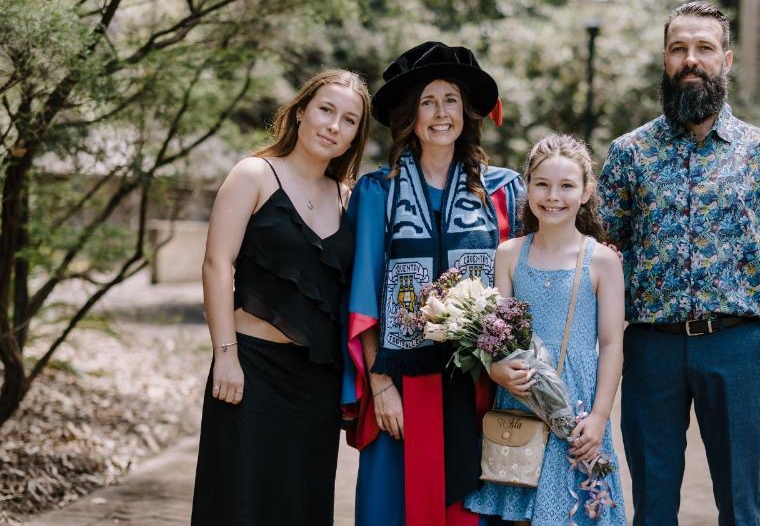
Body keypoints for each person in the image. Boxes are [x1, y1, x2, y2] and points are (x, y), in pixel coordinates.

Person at [598, 1, 760, 526]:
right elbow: (604, 251)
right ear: (666, 60)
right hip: (651, 348)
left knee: (740, 505)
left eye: (704, 48)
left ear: (727, 59)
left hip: (736, 349)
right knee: (653, 503)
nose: (691, 59)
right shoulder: (630, 154)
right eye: (679, 49)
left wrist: (740, 303)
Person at [343, 41, 524, 526]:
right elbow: (363, 291)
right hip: (403, 384)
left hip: (481, 383)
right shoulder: (378, 192)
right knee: (395, 504)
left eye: (450, 100)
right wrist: (380, 386)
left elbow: (526, 282)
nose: (440, 113)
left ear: (466, 111)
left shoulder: (503, 192)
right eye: (427, 101)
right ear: (410, 116)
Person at [192, 69, 371, 525]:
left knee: (300, 507)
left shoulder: (348, 199)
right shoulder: (254, 174)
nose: (334, 125)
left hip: (316, 384)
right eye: (326, 110)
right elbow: (217, 264)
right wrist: (225, 354)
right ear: (301, 112)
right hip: (249, 370)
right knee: (237, 503)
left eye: (349, 120)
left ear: (355, 135)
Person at [465, 134, 628, 526]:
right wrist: (495, 371)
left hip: (578, 404)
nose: (552, 196)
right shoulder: (508, 254)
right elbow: (497, 335)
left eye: (566, 185)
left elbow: (611, 343)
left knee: (577, 510)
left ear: (586, 192)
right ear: (527, 185)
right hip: (522, 399)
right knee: (525, 513)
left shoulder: (602, 260)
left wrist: (601, 416)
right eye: (542, 184)